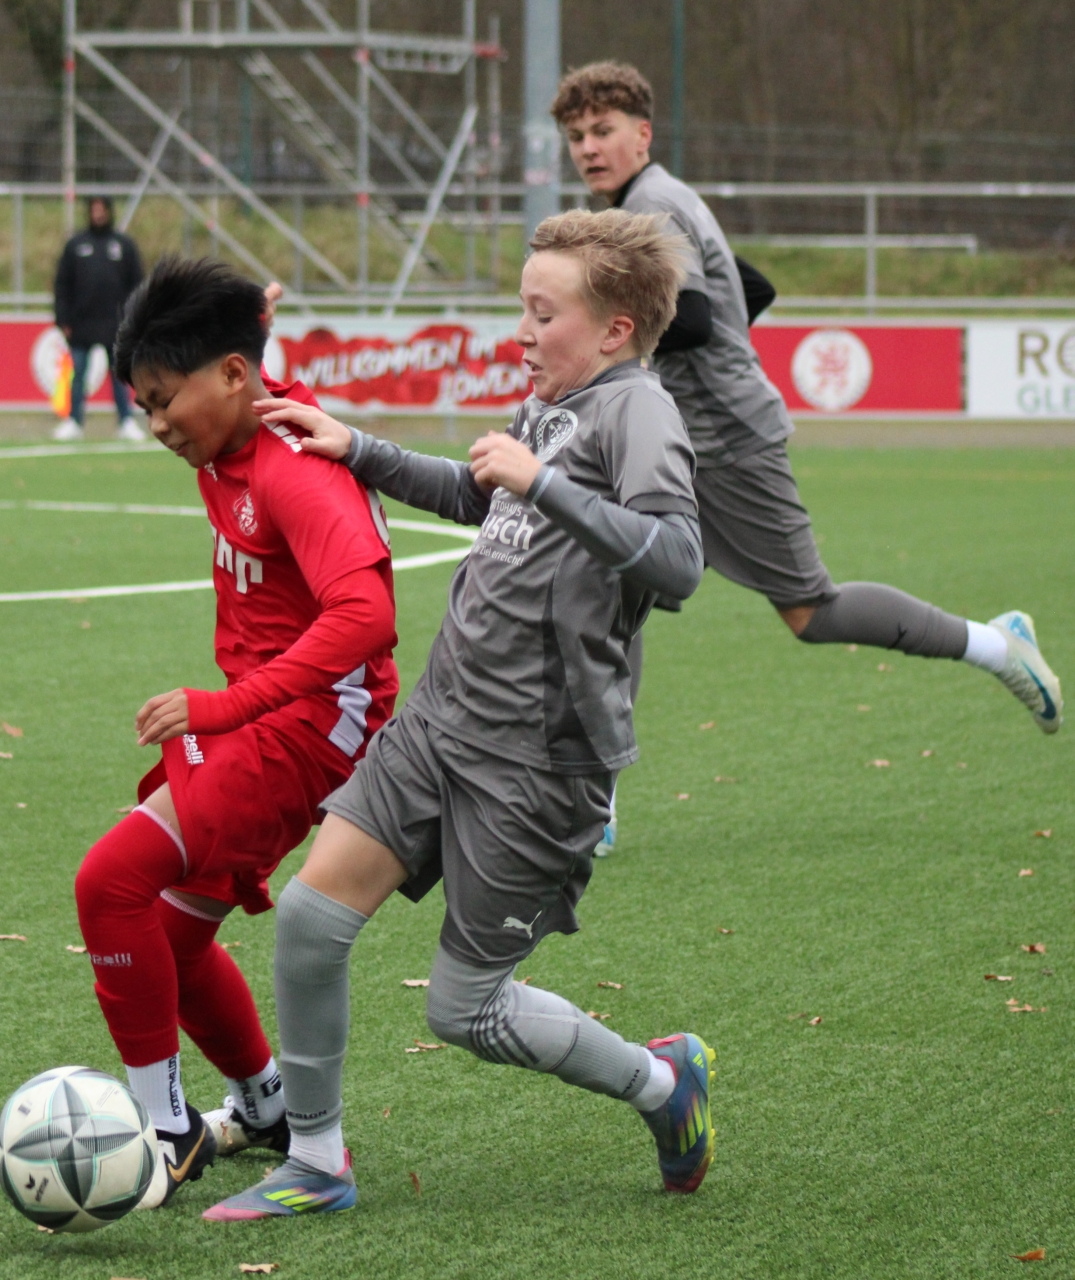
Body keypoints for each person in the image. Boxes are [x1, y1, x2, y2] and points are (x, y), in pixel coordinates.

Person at [206, 208, 713, 1222]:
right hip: (441, 721)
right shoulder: (553, 403)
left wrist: (546, 483)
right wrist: (359, 447)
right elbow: (487, 497)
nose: (522, 332)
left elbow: (678, 560)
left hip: (538, 760)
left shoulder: (638, 410)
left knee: (464, 1010)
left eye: (544, 314)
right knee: (309, 917)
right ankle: (316, 1160)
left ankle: (664, 1083)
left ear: (616, 328)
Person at [553, 61, 1061, 742]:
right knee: (611, 576)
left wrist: (601, 342)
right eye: (577, 136)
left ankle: (998, 646)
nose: (588, 148)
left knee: (811, 612)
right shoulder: (652, 201)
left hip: (724, 441)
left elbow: (694, 319)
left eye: (603, 130)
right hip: (679, 437)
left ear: (642, 134)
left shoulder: (652, 206)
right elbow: (750, 288)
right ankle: (596, 779)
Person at [71, 256, 401, 1206]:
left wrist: (227, 706)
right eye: (143, 404)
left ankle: (163, 1132)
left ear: (230, 376)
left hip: (310, 728)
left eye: (165, 399)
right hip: (275, 717)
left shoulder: (293, 471)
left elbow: (367, 618)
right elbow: (243, 354)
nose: (156, 423)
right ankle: (265, 1106)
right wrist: (253, 310)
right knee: (172, 938)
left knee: (110, 884)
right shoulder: (236, 419)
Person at [53, 196, 145, 442]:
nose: (98, 214)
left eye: (102, 209)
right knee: (78, 375)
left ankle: (125, 421)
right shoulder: (76, 245)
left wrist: (134, 319)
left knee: (119, 375)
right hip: (82, 323)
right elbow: (62, 285)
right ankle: (74, 421)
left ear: (109, 212)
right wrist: (63, 319)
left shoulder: (123, 245)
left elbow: (137, 285)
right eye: (94, 209)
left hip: (115, 324)